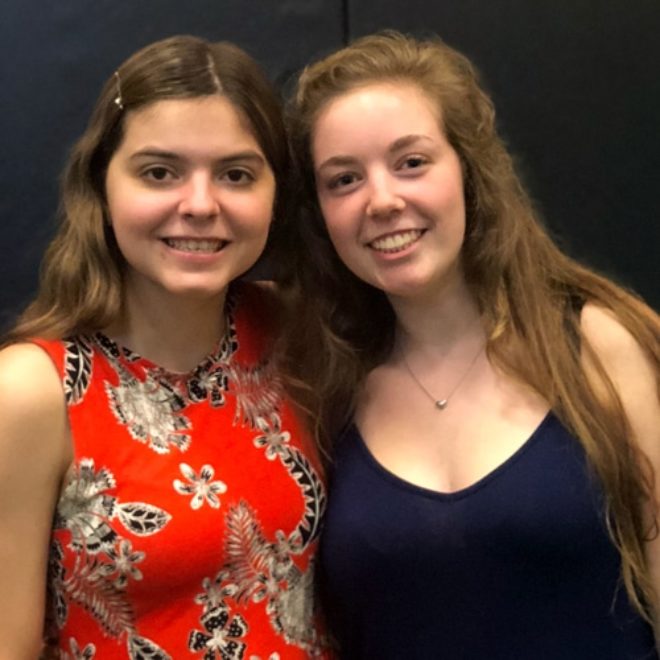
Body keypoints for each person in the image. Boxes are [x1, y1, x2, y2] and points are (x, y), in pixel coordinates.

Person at [282, 30, 660, 658]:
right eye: (344, 179)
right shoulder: (321, 386)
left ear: (469, 170)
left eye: (411, 162)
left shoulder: (596, 343)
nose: (382, 200)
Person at [0, 35, 329, 658]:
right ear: (101, 186)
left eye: (236, 175)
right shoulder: (32, 391)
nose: (200, 204)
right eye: (159, 172)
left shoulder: (295, 332)